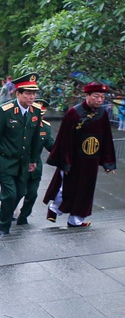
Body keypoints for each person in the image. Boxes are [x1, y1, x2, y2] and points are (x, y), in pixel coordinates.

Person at [44, 82, 117, 226]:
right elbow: (65, 139)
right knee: (67, 188)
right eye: (96, 96)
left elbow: (106, 138)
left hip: (91, 160)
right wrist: (65, 161)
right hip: (74, 159)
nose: (99, 100)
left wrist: (108, 162)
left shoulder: (102, 114)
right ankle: (54, 209)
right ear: (87, 96)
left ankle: (76, 220)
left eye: (102, 97)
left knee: (86, 190)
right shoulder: (74, 113)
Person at [0, 73, 42, 235]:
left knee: (20, 192)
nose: (32, 97)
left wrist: (33, 160)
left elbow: (36, 138)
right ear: (18, 93)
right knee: (10, 194)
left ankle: (0, 214)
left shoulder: (36, 111)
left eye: (34, 93)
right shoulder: (5, 111)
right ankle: (4, 226)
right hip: (4, 160)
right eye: (28, 93)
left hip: (23, 162)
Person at [17, 99, 54, 225]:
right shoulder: (22, 124)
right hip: (19, 165)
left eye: (42, 115)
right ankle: (3, 214)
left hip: (35, 167)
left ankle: (23, 216)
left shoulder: (46, 127)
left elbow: (51, 145)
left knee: (32, 194)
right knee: (16, 193)